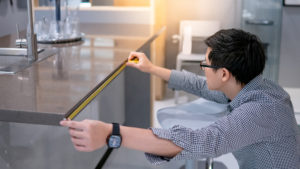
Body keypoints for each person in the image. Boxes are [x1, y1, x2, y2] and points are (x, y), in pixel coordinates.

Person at [60, 29, 300, 168]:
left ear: (224, 74)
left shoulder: (260, 111)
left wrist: (111, 133)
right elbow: (201, 85)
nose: (202, 68)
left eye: (205, 64)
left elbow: (201, 142)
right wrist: (152, 68)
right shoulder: (258, 86)